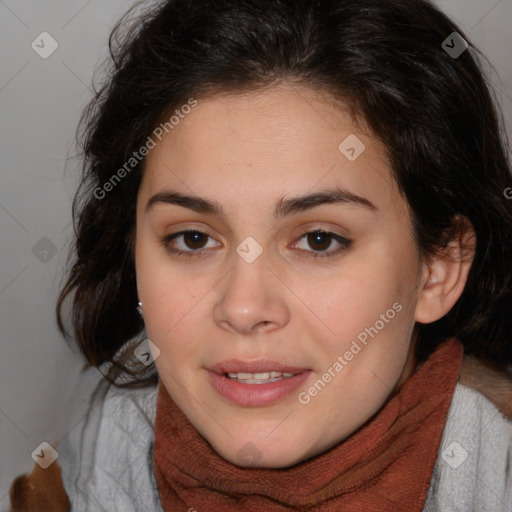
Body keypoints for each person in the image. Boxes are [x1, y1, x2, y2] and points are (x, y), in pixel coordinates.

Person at [9, 0, 512, 510]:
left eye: (319, 239)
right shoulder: (81, 469)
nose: (244, 308)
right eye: (193, 239)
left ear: (438, 270)